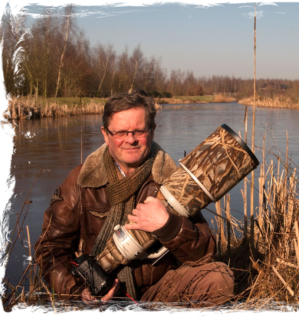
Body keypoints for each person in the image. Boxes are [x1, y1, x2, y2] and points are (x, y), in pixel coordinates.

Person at [34, 89, 234, 313]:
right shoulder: (81, 181)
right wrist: (80, 293)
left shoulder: (173, 182)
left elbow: (205, 253)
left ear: (152, 130)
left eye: (139, 130)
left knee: (219, 279)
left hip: (157, 292)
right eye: (121, 132)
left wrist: (169, 226)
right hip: (101, 297)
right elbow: (50, 248)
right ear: (105, 134)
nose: (130, 139)